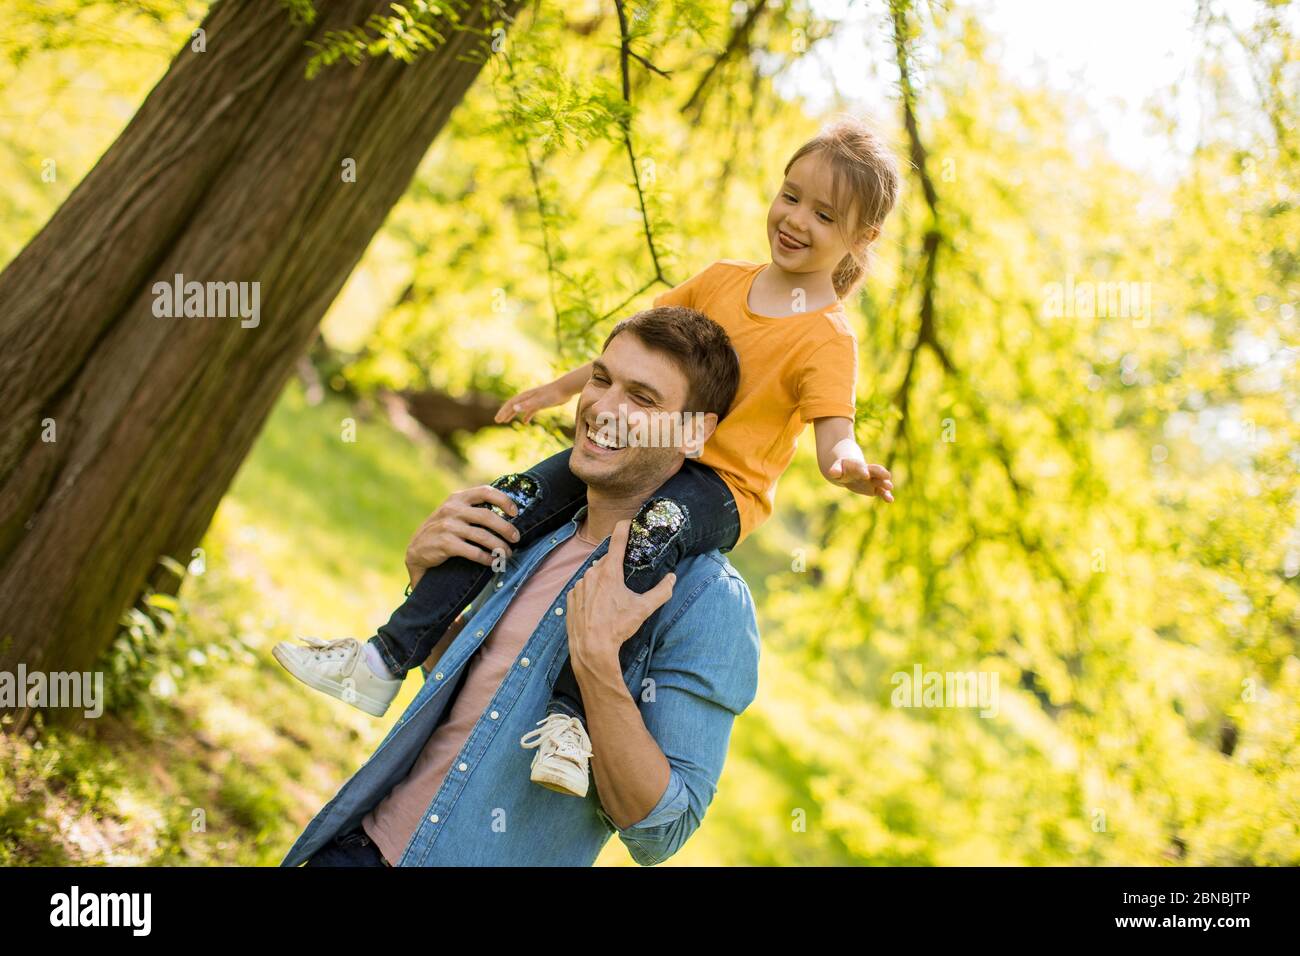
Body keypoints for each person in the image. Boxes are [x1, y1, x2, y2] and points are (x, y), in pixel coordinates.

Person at [274, 114, 901, 799]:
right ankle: (386, 658)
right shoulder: (722, 279)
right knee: (511, 499)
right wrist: (556, 389)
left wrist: (847, 466)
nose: (795, 219)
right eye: (790, 195)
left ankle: (570, 721)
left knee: (650, 533)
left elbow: (833, 433)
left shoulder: (827, 339)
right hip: (645, 441)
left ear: (860, 238)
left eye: (824, 214)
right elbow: (633, 352)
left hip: (720, 485)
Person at [281, 307, 759, 866]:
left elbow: (661, 833)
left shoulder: (709, 602)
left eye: (643, 399)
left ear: (693, 431)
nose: (604, 408)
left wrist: (598, 665)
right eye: (602, 379)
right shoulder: (534, 526)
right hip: (361, 847)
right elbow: (484, 694)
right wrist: (423, 585)